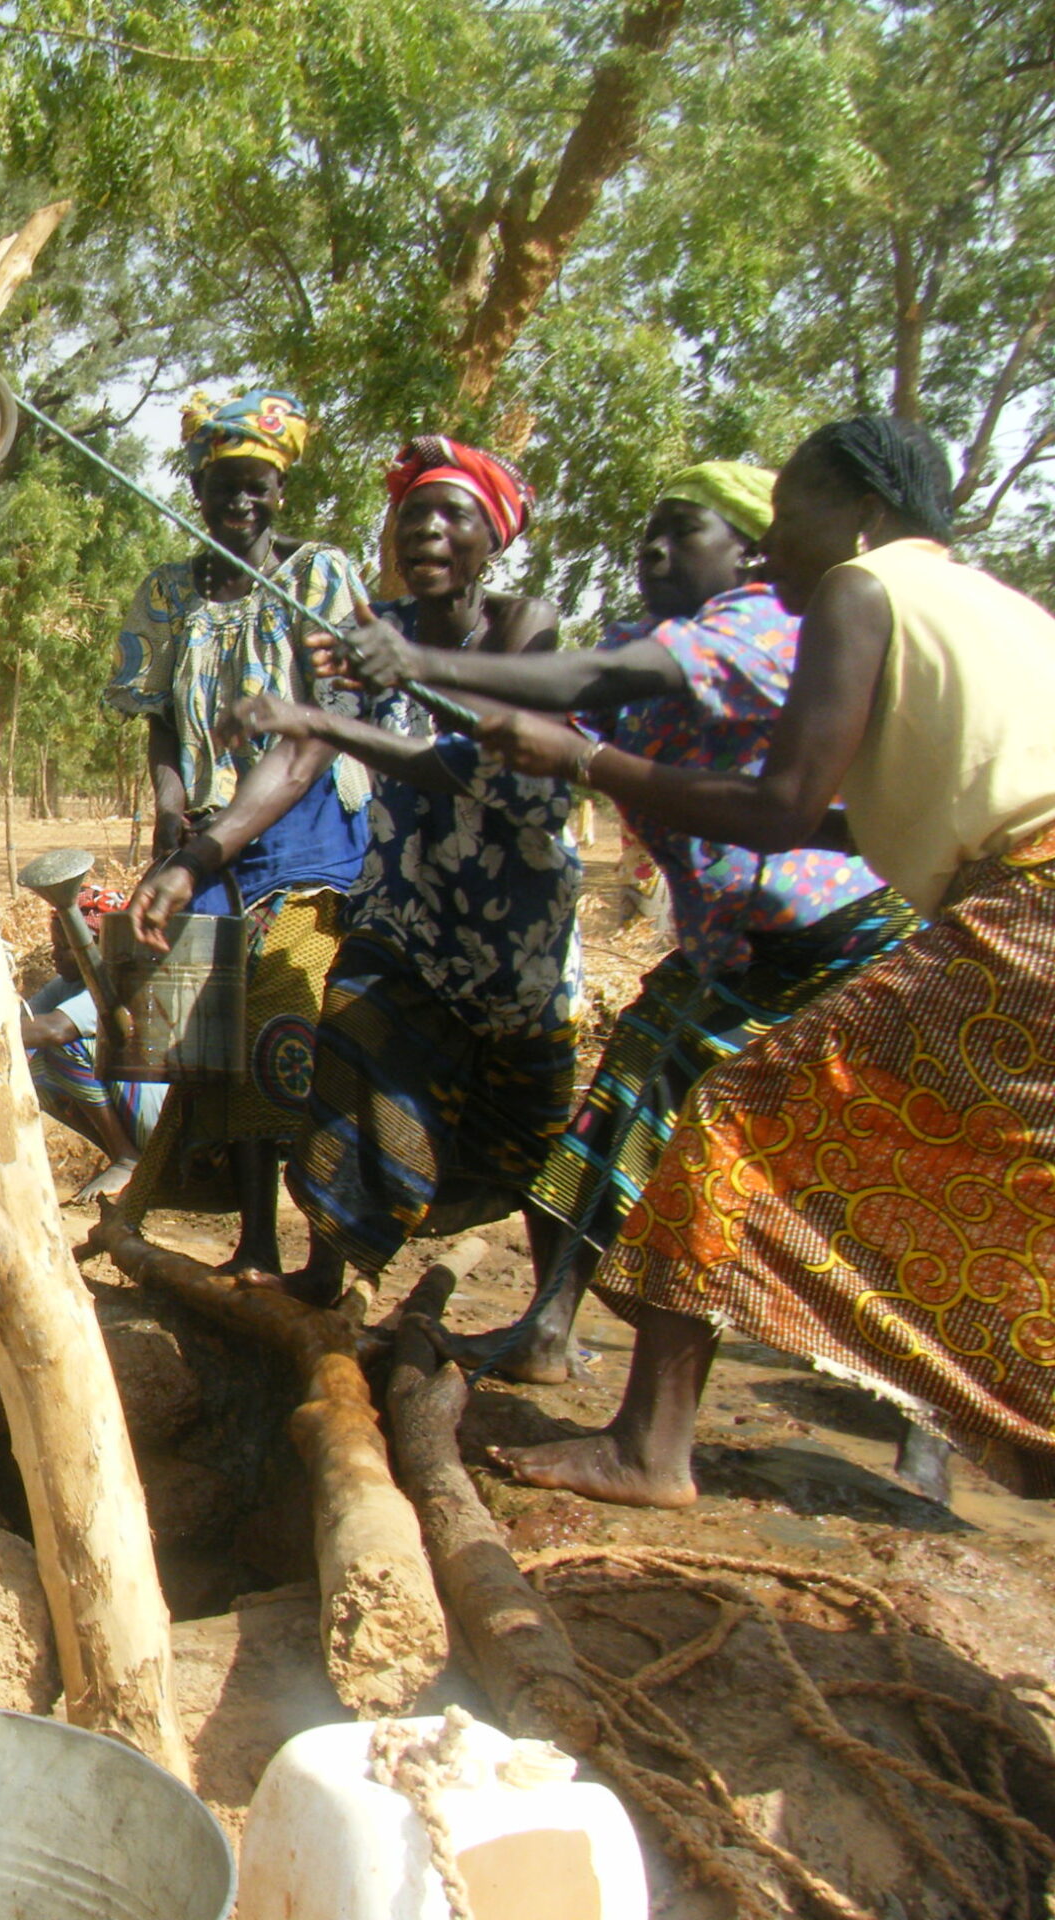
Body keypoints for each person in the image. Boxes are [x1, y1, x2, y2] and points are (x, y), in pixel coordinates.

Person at [456, 417, 1055, 1507]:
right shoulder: (999, 607)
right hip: (1020, 905)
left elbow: (780, 810)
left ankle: (650, 1450)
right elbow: (846, 822)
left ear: (864, 517)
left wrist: (589, 759)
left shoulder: (861, 592)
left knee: (729, 1117)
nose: (773, 549)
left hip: (1028, 910)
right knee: (997, 1175)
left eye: (790, 521)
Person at [330, 462, 919, 1384]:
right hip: (743, 951)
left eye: (682, 531)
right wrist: (345, 720)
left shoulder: (762, 625)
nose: (651, 550)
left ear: (748, 551)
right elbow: (518, 748)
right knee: (620, 1127)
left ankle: (907, 1420)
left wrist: (418, 670)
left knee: (841, 1176)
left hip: (832, 941)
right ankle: (555, 1334)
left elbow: (585, 693)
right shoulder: (655, 641)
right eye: (647, 531)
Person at [133, 436, 578, 1307]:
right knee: (345, 1059)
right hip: (408, 917)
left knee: (534, 1130)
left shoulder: (527, 627)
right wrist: (193, 857)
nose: (430, 533)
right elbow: (297, 756)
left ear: (494, 538)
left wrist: (352, 701)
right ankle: (326, 1275)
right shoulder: (369, 634)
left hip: (515, 934)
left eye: (455, 516)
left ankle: (552, 1317)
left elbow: (472, 758)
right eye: (414, 516)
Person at [104, 391, 371, 1244]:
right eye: (224, 485)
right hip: (206, 839)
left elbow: (315, 737)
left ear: (280, 490)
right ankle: (222, 1225)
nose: (240, 502)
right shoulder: (168, 592)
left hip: (306, 832)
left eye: (256, 485)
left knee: (274, 1021)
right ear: (198, 488)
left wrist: (204, 847)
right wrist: (171, 812)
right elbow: (159, 719)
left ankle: (287, 1245)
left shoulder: (315, 575)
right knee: (188, 1033)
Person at [19, 888, 165, 1194]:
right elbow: (22, 1018)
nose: (54, 954)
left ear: (97, 948)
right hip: (134, 1109)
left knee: (56, 1049)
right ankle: (122, 1155)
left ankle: (127, 1159)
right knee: (25, 1064)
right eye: (55, 944)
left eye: (65, 947)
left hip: (157, 1116)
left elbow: (53, 1030)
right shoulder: (68, 985)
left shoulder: (114, 983)